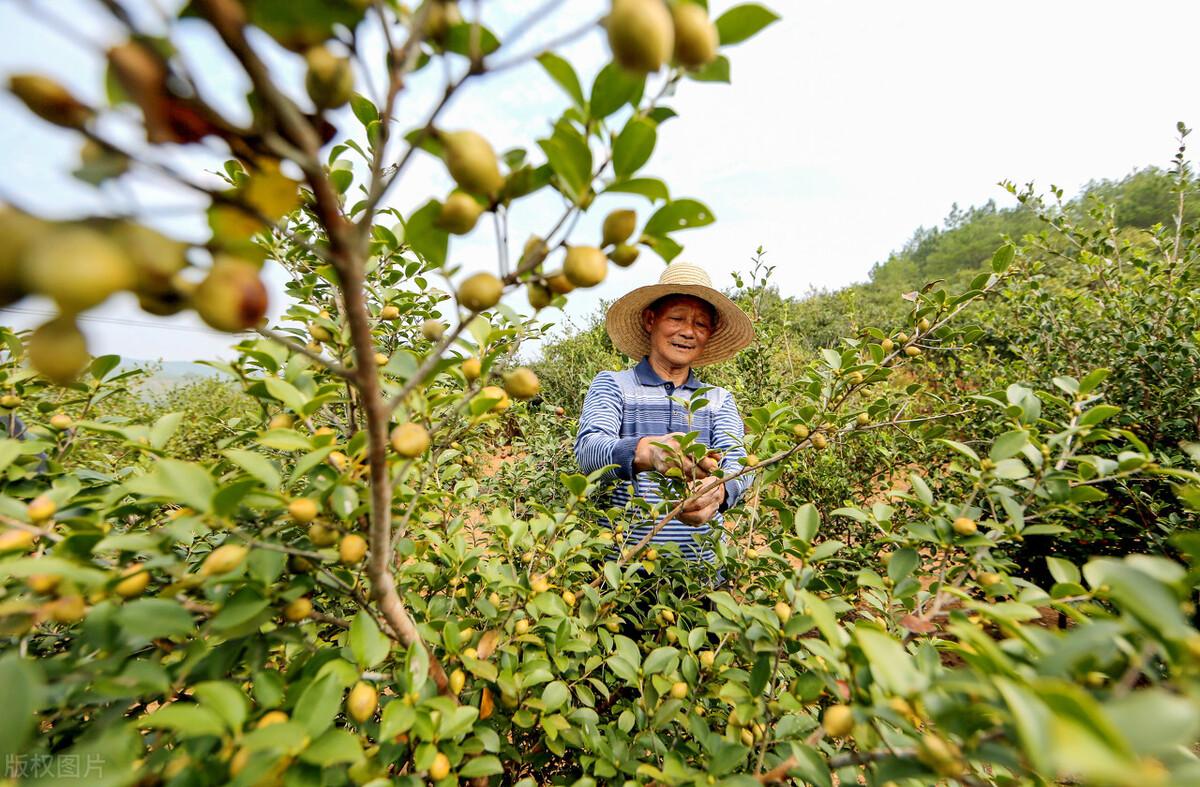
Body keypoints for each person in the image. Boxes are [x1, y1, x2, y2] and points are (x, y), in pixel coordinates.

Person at [574, 260, 756, 567]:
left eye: (700, 324)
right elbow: (589, 452)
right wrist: (649, 452)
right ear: (650, 320)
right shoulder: (614, 385)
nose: (687, 332)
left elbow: (739, 463)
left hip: (698, 576)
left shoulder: (717, 399)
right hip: (620, 573)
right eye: (676, 318)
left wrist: (718, 492)